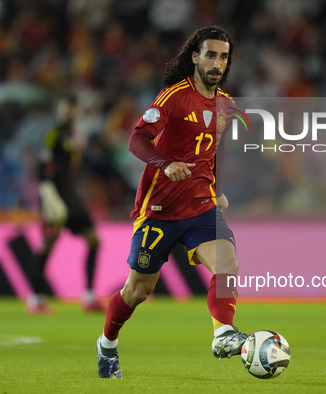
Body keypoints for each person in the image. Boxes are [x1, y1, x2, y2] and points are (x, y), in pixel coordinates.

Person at [95, 25, 246, 379]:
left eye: (223, 57)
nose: (217, 63)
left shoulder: (226, 105)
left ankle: (223, 333)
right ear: (195, 57)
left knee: (228, 262)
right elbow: (136, 139)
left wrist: (218, 188)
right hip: (159, 212)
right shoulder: (173, 96)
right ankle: (107, 343)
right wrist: (166, 163)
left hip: (200, 206)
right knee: (137, 291)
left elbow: (216, 150)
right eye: (210, 55)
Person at [27, 96, 105, 314]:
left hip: (71, 197)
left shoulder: (74, 134)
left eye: (72, 108)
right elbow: (42, 167)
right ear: (60, 110)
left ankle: (89, 297)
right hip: (54, 195)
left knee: (94, 240)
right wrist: (47, 194)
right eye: (66, 108)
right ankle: (35, 300)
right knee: (47, 245)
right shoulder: (53, 134)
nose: (69, 112)